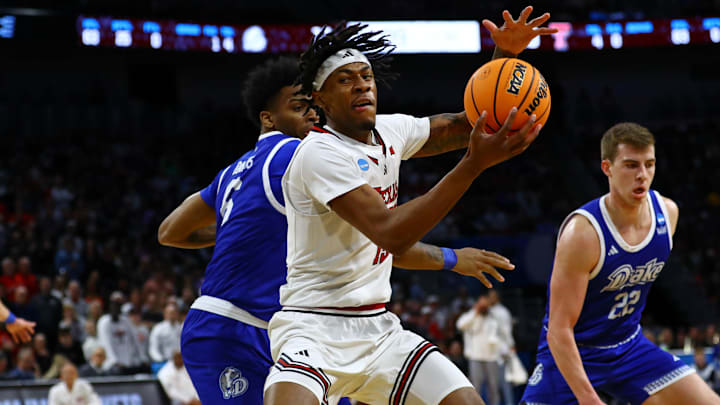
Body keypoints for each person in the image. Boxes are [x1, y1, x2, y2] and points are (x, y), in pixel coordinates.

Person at [264, 7, 554, 404]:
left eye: (366, 77)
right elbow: (392, 235)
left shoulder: (390, 130)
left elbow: (468, 124)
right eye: (345, 80)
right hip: (313, 328)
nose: (361, 86)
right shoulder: (319, 154)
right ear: (320, 99)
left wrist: (505, 58)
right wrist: (471, 166)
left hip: (379, 331)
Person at [521, 123, 720, 405]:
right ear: (607, 168)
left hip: (629, 347)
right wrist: (590, 399)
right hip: (576, 350)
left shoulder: (667, 213)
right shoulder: (583, 234)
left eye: (649, 164)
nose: (642, 175)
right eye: (630, 165)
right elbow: (558, 329)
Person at [457, 296, 502, 405]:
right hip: (476, 356)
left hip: (492, 357)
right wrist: (475, 312)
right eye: (481, 305)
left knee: (493, 387)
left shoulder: (493, 316)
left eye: (485, 305)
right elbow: (460, 325)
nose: (483, 308)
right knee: (476, 387)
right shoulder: (471, 315)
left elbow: (501, 333)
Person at [96, 291, 148, 373]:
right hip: (112, 363)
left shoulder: (125, 321)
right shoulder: (104, 322)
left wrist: (142, 358)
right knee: (116, 371)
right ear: (110, 307)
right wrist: (114, 361)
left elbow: (135, 340)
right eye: (114, 306)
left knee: (145, 368)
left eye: (118, 306)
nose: (115, 308)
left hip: (128, 361)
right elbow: (106, 344)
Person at [487, 290, 516, 405]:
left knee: (505, 385)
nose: (490, 299)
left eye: (492, 297)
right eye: (489, 297)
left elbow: (506, 332)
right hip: (490, 353)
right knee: (493, 385)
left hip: (502, 352)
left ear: (497, 298)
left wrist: (509, 348)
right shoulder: (489, 311)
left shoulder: (502, 312)